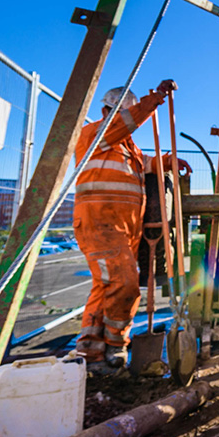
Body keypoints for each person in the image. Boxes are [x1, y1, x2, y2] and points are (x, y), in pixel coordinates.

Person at [73, 80, 181, 371]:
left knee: (106, 285)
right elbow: (128, 122)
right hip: (101, 223)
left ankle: (90, 351)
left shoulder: (126, 147)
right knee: (125, 284)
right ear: (107, 111)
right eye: (123, 114)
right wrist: (154, 99)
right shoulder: (95, 134)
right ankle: (116, 344)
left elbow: (146, 163)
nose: (127, 120)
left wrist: (169, 161)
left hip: (124, 228)